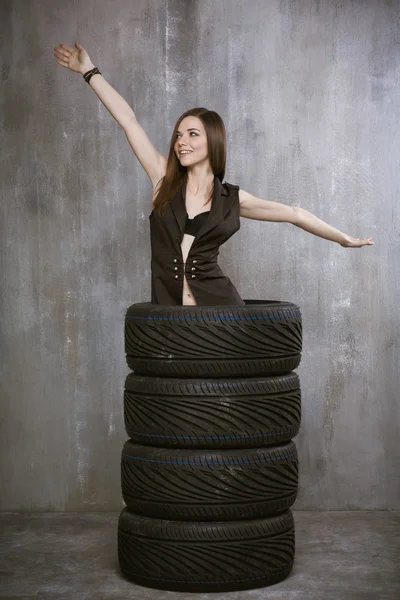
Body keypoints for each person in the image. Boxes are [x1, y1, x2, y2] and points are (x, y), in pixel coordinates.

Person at [54, 42, 375, 307]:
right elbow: (128, 120)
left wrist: (343, 239)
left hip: (221, 307)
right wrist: (89, 71)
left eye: (193, 134)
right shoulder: (162, 179)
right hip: (168, 313)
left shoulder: (231, 199)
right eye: (179, 134)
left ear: (213, 141)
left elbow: (294, 214)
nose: (182, 141)